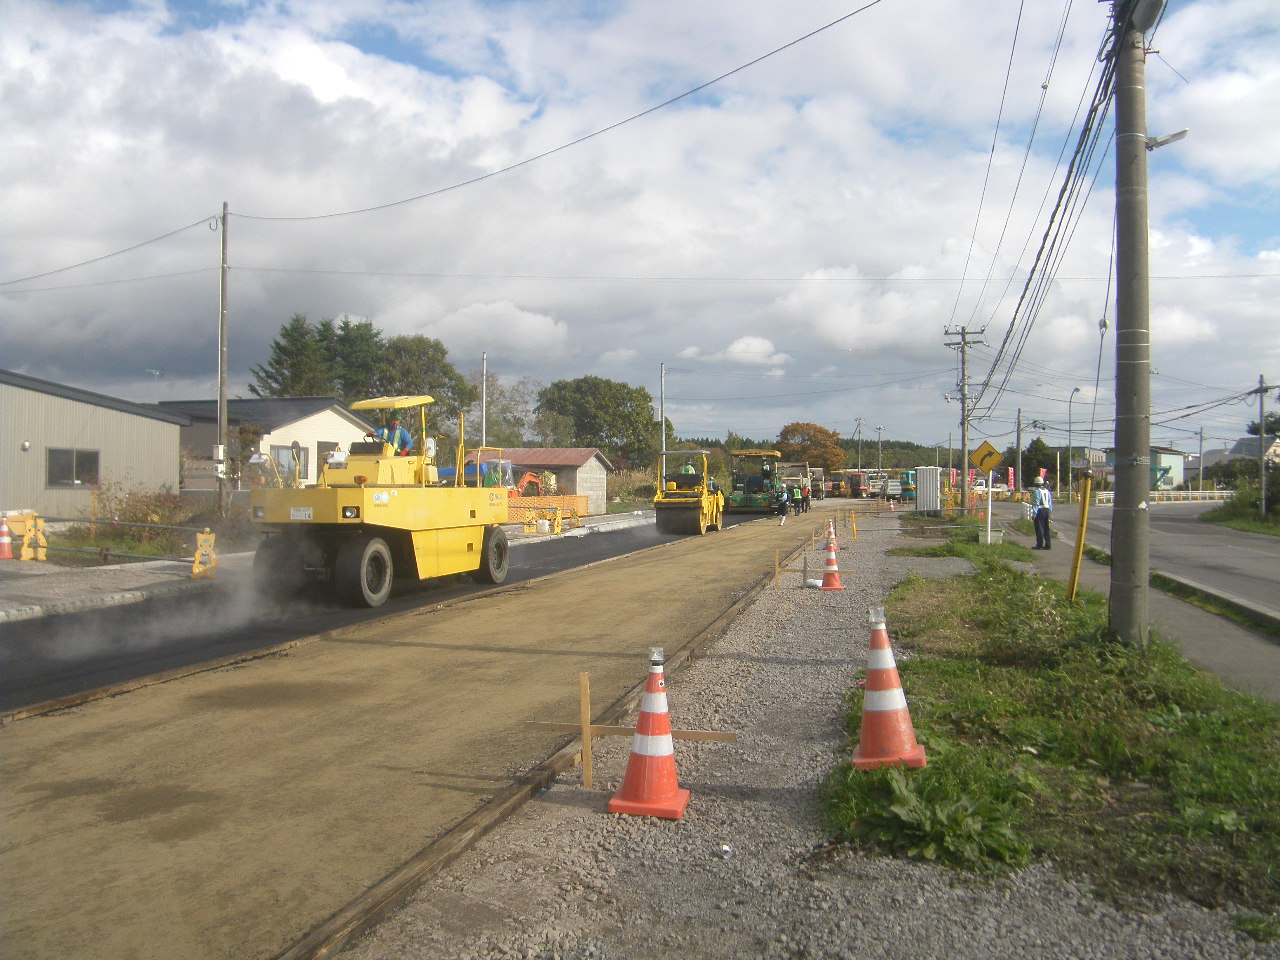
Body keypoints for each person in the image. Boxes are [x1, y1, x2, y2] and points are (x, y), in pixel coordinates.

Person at [1030, 475, 1053, 549]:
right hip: (1047, 510)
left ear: (1036, 484)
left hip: (1040, 511)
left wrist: (1034, 514)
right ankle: (1048, 544)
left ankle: (1039, 545)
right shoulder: (1047, 491)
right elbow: (1050, 503)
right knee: (1046, 528)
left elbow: (1036, 503)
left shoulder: (1037, 492)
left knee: (1039, 528)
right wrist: (1049, 512)